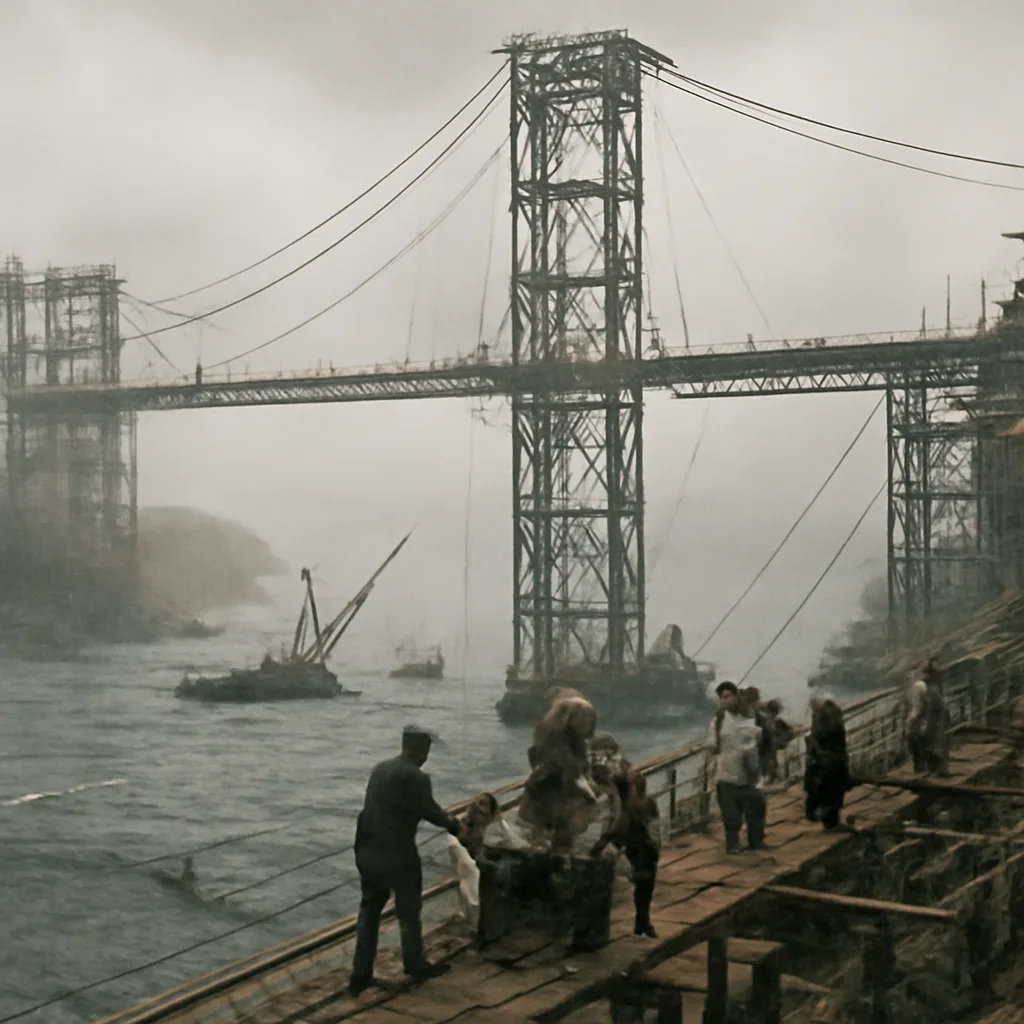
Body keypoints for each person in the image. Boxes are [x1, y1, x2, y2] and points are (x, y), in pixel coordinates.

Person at [348, 725, 462, 997]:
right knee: (409, 910)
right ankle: (415, 963)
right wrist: (456, 826)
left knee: (369, 911)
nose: (426, 757)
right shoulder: (416, 777)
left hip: (367, 850)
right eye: (425, 751)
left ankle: (360, 975)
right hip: (397, 854)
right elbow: (430, 811)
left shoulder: (380, 769)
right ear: (417, 749)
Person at [591, 770, 661, 938]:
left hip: (638, 852)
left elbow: (615, 833)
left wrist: (596, 848)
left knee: (641, 887)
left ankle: (643, 924)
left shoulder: (628, 809)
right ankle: (643, 923)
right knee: (645, 889)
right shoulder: (648, 802)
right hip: (650, 849)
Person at [705, 681, 767, 854]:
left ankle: (757, 842)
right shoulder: (718, 720)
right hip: (726, 773)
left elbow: (762, 736)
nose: (725, 701)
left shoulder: (751, 715)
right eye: (722, 698)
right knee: (731, 815)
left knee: (756, 810)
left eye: (728, 696)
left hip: (750, 773)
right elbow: (711, 744)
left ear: (736, 695)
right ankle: (732, 845)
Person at [804, 696, 851, 829]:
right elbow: (840, 745)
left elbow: (814, 745)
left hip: (821, 763)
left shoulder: (819, 726)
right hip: (834, 762)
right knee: (835, 792)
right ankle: (831, 821)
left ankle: (819, 814)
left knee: (822, 790)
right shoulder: (835, 725)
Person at [906, 660, 949, 775]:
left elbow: (921, 707)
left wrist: (916, 719)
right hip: (929, 720)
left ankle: (927, 772)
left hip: (926, 721)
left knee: (922, 747)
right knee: (928, 747)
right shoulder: (930, 687)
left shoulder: (921, 687)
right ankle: (932, 771)